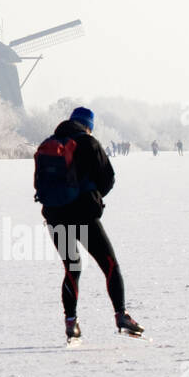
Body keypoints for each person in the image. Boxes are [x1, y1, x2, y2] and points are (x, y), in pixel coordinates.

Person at [34, 106, 143, 342]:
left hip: (55, 217)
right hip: (84, 214)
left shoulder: (49, 144)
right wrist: (93, 196)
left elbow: (38, 184)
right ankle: (121, 315)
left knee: (72, 267)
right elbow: (108, 178)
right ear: (89, 126)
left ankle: (71, 322)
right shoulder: (89, 143)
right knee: (110, 265)